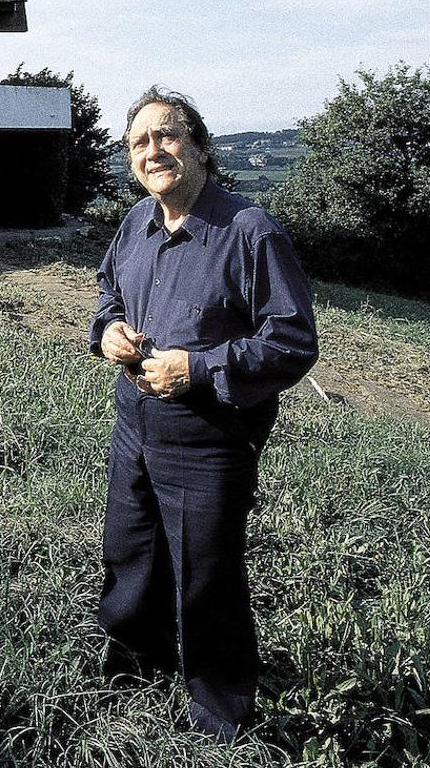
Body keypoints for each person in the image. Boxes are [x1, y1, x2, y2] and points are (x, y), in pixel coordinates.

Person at [90, 86, 318, 739]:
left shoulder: (249, 232)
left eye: (167, 135)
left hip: (211, 433)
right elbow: (109, 294)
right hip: (134, 421)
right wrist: (109, 331)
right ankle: (134, 674)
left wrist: (197, 368)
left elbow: (293, 342)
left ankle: (220, 720)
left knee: (206, 576)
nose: (153, 151)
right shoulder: (136, 223)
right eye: (139, 143)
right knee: (130, 554)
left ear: (199, 148)